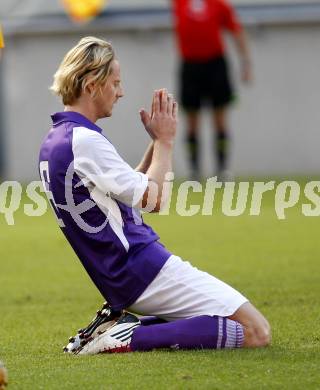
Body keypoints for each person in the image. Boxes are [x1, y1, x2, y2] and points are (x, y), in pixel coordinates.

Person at [39, 36, 270, 355]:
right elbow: (152, 199)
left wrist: (154, 144)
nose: (120, 92)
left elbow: (119, 195)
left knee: (232, 323)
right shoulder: (84, 141)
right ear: (93, 84)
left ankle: (117, 327)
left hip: (123, 273)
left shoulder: (56, 141)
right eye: (115, 83)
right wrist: (165, 143)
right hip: (140, 267)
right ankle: (126, 336)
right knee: (255, 331)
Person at [172, 0, 252, 179]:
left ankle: (222, 169)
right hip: (190, 66)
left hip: (215, 65)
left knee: (220, 120)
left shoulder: (219, 5)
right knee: (192, 121)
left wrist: (246, 62)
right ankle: (194, 170)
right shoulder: (180, 2)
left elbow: (236, 31)